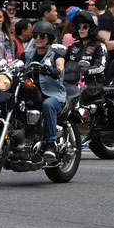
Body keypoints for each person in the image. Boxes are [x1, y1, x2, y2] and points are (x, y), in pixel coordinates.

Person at [27, 20, 68, 164]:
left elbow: (61, 65)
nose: (38, 39)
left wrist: (56, 70)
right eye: (35, 36)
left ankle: (50, 143)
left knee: (48, 105)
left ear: (49, 38)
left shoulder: (55, 54)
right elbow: (13, 64)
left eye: (42, 36)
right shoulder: (28, 55)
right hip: (32, 93)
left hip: (52, 95)